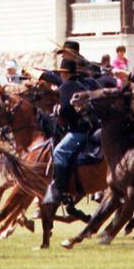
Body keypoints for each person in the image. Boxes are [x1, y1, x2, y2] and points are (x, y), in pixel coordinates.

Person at [43, 41, 93, 205]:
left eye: (61, 72)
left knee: (59, 152)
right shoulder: (81, 83)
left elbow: (65, 111)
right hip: (89, 127)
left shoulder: (67, 87)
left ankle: (60, 189)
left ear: (64, 73)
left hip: (79, 130)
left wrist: (57, 110)